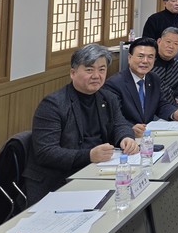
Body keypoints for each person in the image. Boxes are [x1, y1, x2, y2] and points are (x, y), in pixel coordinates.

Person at [23, 44, 138, 205]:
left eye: (102, 70)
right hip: (58, 181)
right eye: (89, 70)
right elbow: (46, 152)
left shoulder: (107, 98)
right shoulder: (53, 105)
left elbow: (120, 124)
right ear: (73, 73)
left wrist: (126, 138)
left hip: (95, 173)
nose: (96, 76)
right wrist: (89, 155)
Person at [103, 38, 178, 137]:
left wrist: (174, 113)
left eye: (150, 57)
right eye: (140, 56)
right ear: (129, 58)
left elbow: (160, 104)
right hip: (127, 138)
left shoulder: (153, 78)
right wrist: (130, 128)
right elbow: (114, 117)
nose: (145, 61)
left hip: (148, 136)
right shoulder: (114, 84)